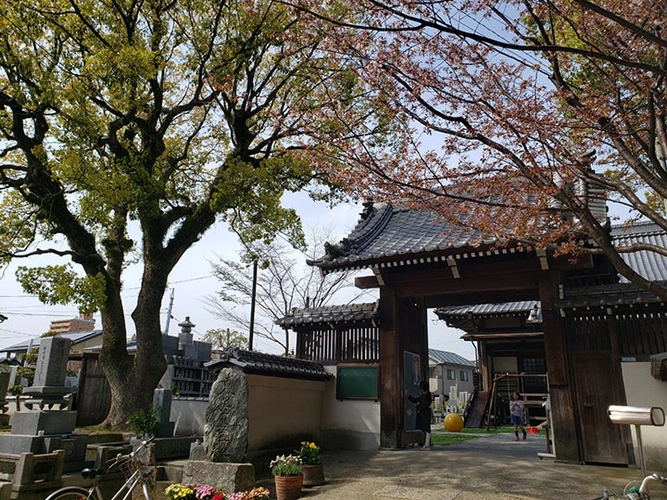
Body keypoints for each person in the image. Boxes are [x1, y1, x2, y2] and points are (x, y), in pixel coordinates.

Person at [408, 381, 433, 450]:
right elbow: (416, 400)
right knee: (424, 429)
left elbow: (423, 406)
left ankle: (426, 444)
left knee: (426, 429)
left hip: (425, 414)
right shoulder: (426, 395)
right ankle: (425, 443)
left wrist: (417, 406)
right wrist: (409, 397)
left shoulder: (425, 397)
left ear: (422, 389)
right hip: (425, 414)